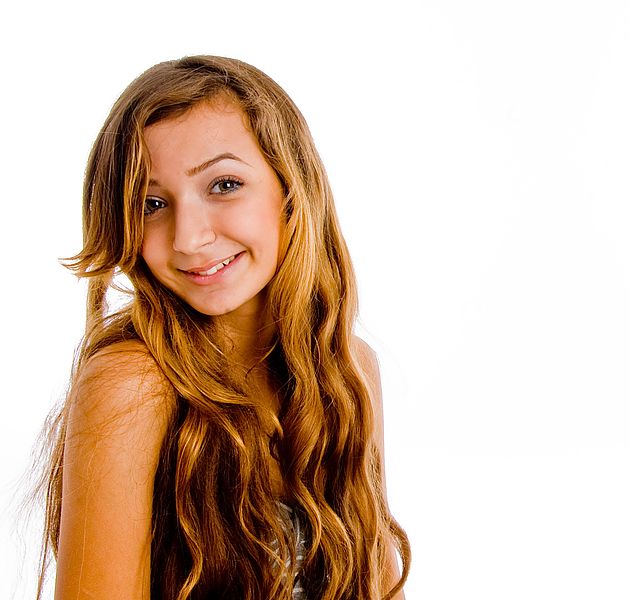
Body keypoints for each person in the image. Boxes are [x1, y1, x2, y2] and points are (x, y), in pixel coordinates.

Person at [35, 55, 410, 600]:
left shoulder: (349, 370)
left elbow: (375, 584)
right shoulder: (132, 384)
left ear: (289, 187)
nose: (188, 237)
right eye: (152, 204)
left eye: (224, 184)